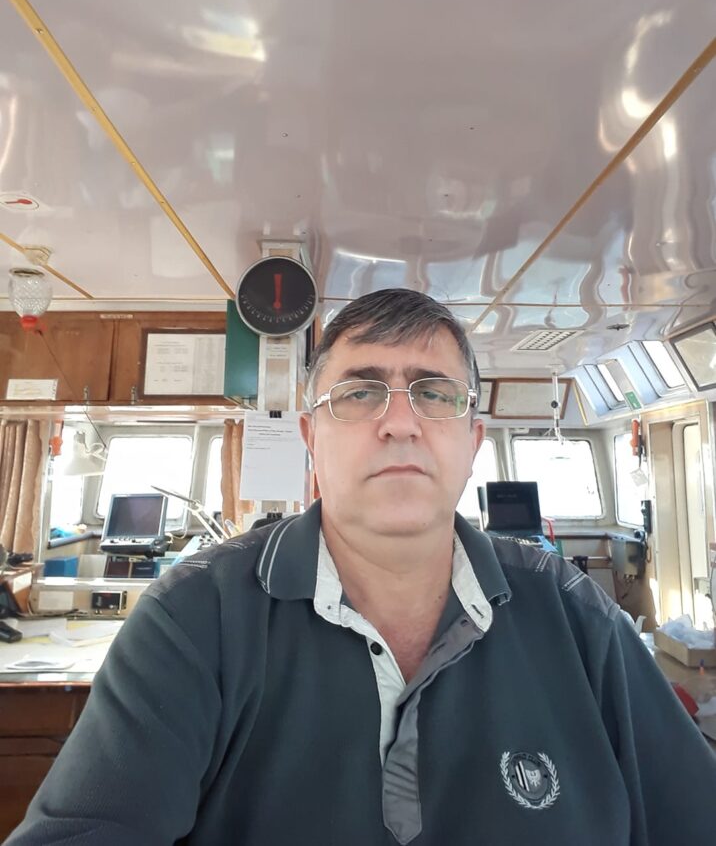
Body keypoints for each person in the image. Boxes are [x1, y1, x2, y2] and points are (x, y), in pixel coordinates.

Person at [8, 289, 716, 845]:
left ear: (474, 441)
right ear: (311, 438)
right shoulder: (193, 618)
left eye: (433, 392)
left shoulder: (579, 615)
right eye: (359, 392)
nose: (400, 422)